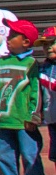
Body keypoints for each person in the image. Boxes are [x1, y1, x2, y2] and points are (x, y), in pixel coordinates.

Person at [0, 19, 49, 175]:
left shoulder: (31, 64)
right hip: (4, 120)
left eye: (13, 36)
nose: (8, 39)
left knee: (30, 156)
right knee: (5, 155)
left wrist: (34, 115)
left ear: (26, 42)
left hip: (25, 122)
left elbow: (37, 92)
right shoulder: (0, 63)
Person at [38, 27, 56, 165]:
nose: (48, 48)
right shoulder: (43, 68)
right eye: (45, 45)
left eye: (52, 43)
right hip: (52, 118)